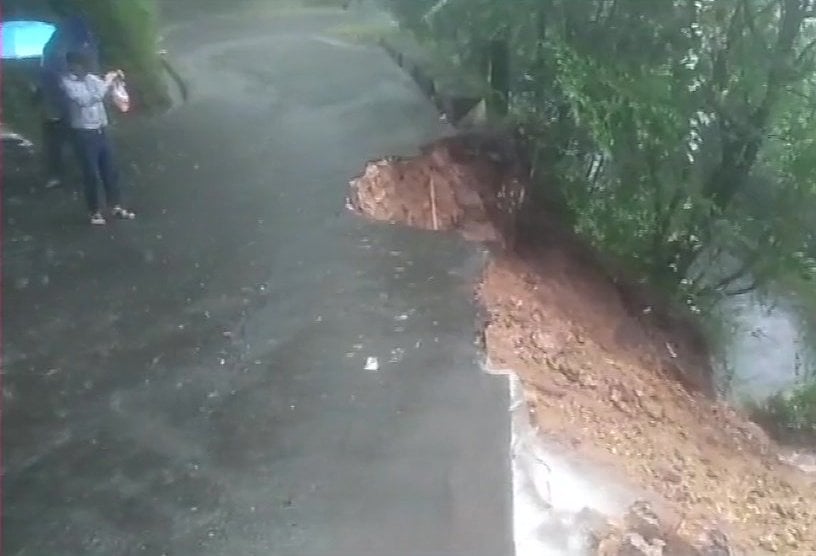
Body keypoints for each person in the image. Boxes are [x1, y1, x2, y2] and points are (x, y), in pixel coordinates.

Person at [61, 50, 135, 225]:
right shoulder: (67, 83)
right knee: (91, 174)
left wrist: (114, 80)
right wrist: (106, 83)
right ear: (72, 65)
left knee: (110, 170)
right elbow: (85, 100)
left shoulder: (91, 79)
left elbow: (103, 92)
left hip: (101, 129)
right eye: (81, 65)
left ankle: (115, 206)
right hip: (84, 133)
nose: (85, 68)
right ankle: (94, 211)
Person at [39, 11, 100, 189]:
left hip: (61, 98)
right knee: (76, 136)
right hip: (68, 98)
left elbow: (47, 70)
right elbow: (92, 69)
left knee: (58, 137)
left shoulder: (56, 45)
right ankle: (83, 170)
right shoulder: (85, 42)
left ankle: (58, 173)